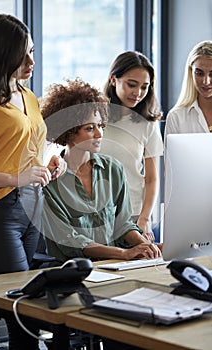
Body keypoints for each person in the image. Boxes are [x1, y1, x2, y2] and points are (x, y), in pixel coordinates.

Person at [0, 14, 65, 350]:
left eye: (32, 51)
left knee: (1, 301)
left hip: (33, 205)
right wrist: (17, 177)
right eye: (22, 55)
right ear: (2, 54)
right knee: (24, 310)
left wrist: (47, 164)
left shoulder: (28, 96)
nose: (32, 61)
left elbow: (23, 149)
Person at [41, 78, 162, 264]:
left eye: (101, 126)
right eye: (90, 128)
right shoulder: (51, 181)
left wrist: (143, 244)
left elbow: (123, 224)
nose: (99, 134)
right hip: (69, 270)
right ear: (69, 131)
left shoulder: (113, 170)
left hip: (111, 267)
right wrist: (123, 254)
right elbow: (69, 241)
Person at [101, 51, 163, 242]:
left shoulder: (148, 123)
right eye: (131, 84)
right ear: (113, 79)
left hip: (133, 214)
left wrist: (143, 220)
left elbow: (152, 178)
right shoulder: (94, 115)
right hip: (94, 215)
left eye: (145, 87)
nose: (137, 93)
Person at [164, 40, 212, 139]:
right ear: (191, 72)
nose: (206, 82)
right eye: (199, 73)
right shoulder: (176, 117)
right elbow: (171, 155)